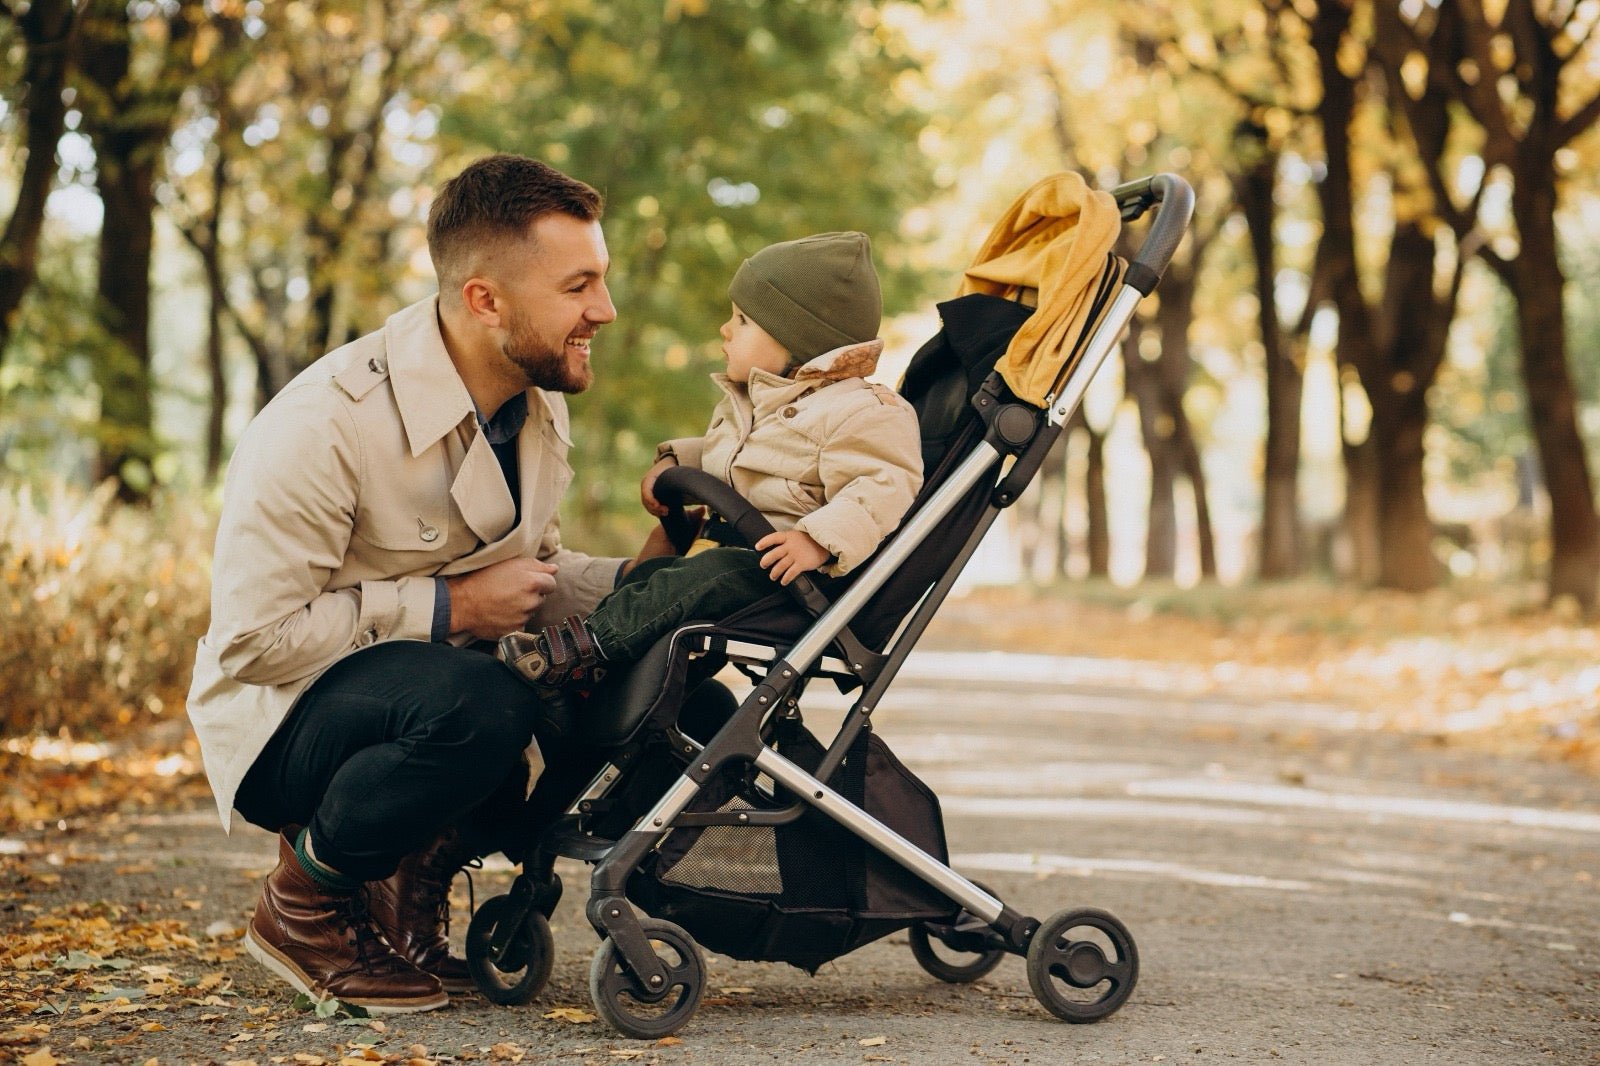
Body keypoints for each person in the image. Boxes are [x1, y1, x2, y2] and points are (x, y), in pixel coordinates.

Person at [186, 154, 673, 1014]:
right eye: (579, 285)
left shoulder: (531, 398)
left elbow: (535, 575)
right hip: (285, 728)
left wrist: (666, 562)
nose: (605, 309)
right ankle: (303, 903)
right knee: (483, 705)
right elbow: (254, 643)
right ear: (486, 300)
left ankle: (404, 881)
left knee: (621, 690)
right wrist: (452, 607)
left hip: (428, 690)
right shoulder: (325, 424)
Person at [498, 231, 922, 688]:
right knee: (656, 576)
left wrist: (817, 541)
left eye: (741, 320)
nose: (725, 329)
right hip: (738, 559)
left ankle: (572, 656)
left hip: (796, 577)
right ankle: (600, 673)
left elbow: (881, 488)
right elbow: (737, 454)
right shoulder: (760, 402)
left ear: (795, 338)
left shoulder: (864, 413)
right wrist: (675, 461)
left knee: (699, 578)